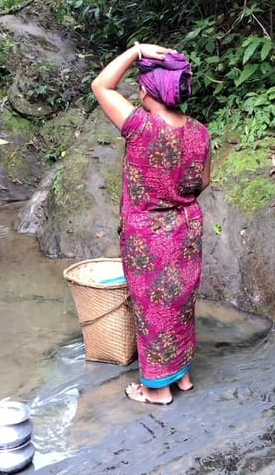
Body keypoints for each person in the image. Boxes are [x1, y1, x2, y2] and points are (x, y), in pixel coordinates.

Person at [91, 43, 212, 405]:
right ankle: (183, 374)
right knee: (180, 302)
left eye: (141, 85)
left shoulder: (141, 127)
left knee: (153, 308)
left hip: (148, 234)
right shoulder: (200, 132)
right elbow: (203, 181)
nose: (137, 91)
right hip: (187, 227)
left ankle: (156, 388)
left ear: (150, 89)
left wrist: (136, 50)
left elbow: (101, 86)